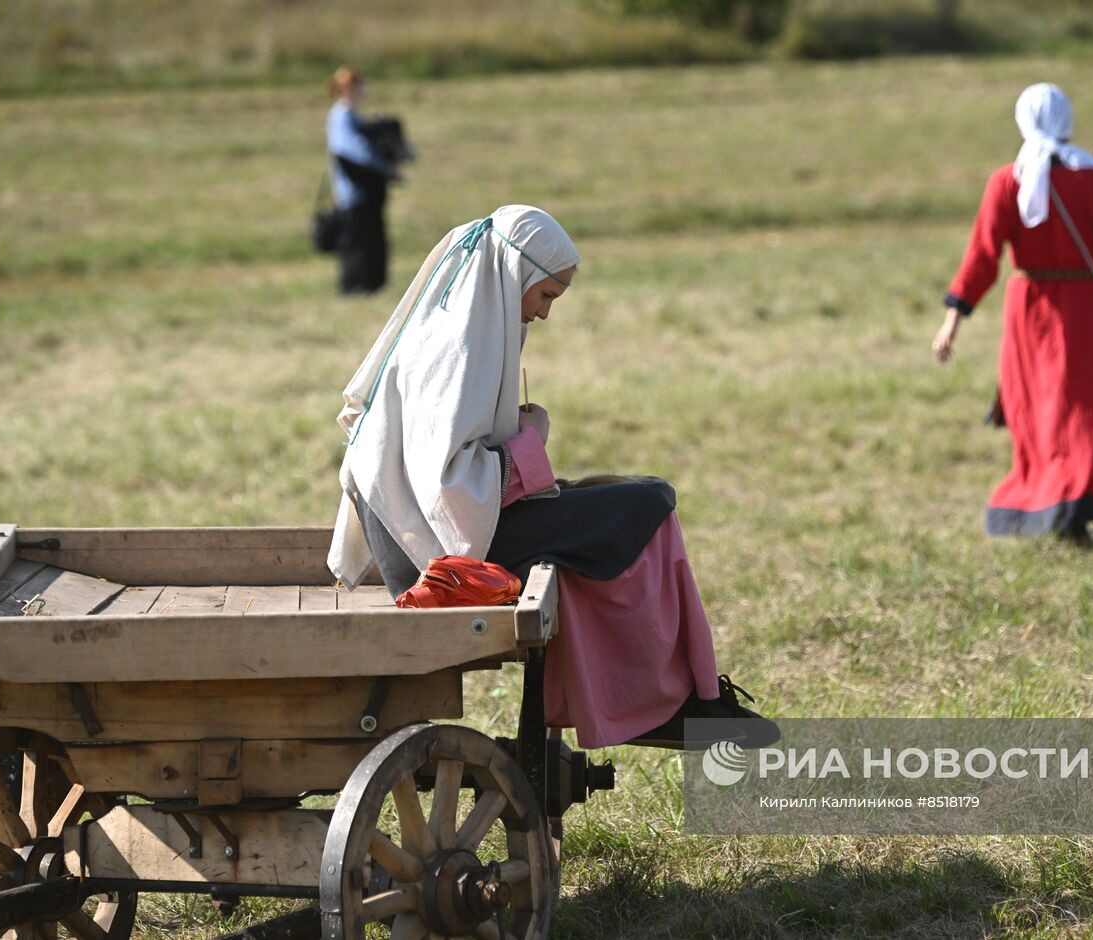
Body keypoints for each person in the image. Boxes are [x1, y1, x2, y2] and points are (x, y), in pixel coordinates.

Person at [327, 204, 778, 750]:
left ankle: (678, 698)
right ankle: (665, 704)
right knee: (648, 504)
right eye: (544, 296)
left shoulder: (457, 327)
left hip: (431, 543)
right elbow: (448, 490)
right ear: (513, 273)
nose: (542, 314)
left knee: (629, 499)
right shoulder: (458, 347)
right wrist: (530, 440)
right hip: (440, 563)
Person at [933, 83, 1093, 542]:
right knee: (1085, 410)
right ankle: (1071, 509)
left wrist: (952, 319)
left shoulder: (1006, 180)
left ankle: (1047, 507)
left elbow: (981, 257)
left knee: (1038, 411)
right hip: (1083, 308)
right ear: (1068, 119)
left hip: (1028, 309)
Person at [326, 66, 400, 295]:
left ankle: (370, 284)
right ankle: (355, 286)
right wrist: (381, 162)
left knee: (370, 238)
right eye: (357, 86)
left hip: (363, 190)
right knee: (356, 240)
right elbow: (351, 149)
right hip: (353, 191)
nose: (362, 90)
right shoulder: (341, 115)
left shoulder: (351, 115)